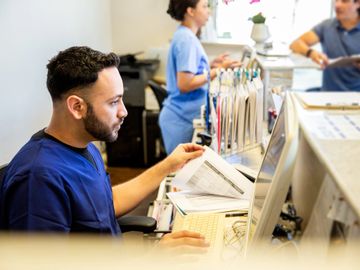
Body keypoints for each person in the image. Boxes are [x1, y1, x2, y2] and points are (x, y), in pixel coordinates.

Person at [0, 46, 208, 249]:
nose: (123, 111)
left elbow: (108, 202)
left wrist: (168, 165)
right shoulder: (38, 179)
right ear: (77, 107)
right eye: (113, 102)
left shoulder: (86, 147)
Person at [159, 0, 241, 154]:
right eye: (204, 6)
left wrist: (210, 65)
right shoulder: (187, 40)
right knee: (179, 173)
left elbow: (190, 72)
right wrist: (219, 70)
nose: (208, 11)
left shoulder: (185, 35)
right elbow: (185, 84)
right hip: (180, 119)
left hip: (182, 116)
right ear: (190, 11)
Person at [290, 0, 360, 91]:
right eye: (336, 1)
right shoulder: (327, 26)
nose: (337, 5)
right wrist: (311, 53)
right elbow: (296, 43)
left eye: (344, 1)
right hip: (328, 96)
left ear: (358, 3)